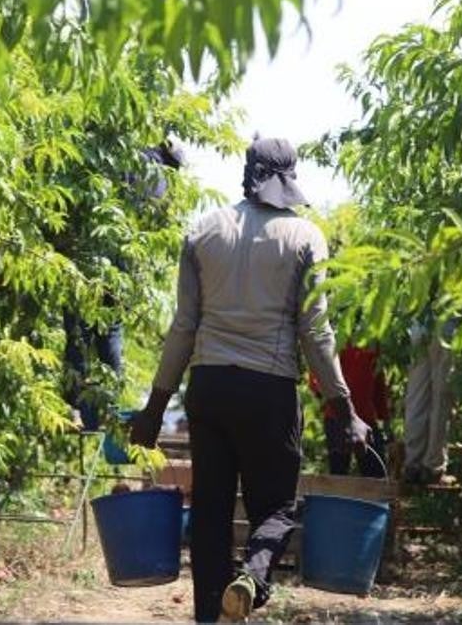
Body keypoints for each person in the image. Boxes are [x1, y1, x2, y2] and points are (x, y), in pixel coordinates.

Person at [129, 138, 370, 622]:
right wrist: (346, 410)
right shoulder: (305, 237)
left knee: (212, 514)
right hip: (269, 390)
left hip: (209, 387)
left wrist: (154, 407)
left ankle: (206, 617)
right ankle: (252, 577)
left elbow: (183, 325)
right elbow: (315, 332)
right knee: (278, 508)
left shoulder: (202, 231)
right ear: (287, 179)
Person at [63, 142, 184, 430]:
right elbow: (151, 227)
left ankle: (75, 411)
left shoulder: (125, 152)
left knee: (78, 334)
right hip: (121, 265)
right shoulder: (160, 180)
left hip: (87, 253)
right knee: (111, 334)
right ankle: (107, 411)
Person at [309, 344, 390, 478]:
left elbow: (378, 379)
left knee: (376, 475)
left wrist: (384, 415)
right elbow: (318, 373)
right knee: (339, 474)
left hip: (367, 419)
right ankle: (339, 499)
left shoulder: (372, 338)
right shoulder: (335, 335)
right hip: (337, 417)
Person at [402, 314, 459, 485]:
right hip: (445, 324)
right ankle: (433, 467)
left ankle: (413, 464)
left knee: (417, 396)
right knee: (441, 398)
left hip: (419, 324)